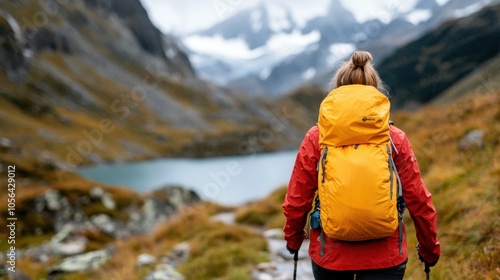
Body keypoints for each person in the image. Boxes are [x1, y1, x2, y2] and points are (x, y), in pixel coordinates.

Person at [282, 51, 440, 279]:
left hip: (331, 257)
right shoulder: (394, 138)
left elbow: (297, 200)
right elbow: (418, 199)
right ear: (374, 90)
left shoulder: (317, 138)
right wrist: (429, 249)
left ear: (337, 91)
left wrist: (293, 239)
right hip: (385, 258)